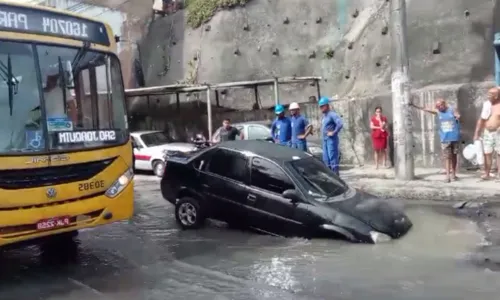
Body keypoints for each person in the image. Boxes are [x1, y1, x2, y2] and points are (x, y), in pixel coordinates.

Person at [410, 98, 461, 182]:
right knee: (447, 157)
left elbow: (457, 115)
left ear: (444, 104)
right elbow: (425, 109)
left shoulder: (452, 110)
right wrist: (415, 105)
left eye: (440, 105)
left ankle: (454, 174)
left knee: (454, 156)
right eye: (437, 106)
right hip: (445, 138)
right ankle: (447, 176)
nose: (439, 107)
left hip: (454, 137)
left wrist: (457, 116)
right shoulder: (438, 112)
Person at [473, 87, 500, 180]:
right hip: (488, 132)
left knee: (499, 154)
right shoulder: (487, 105)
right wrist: (477, 133)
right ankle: (487, 173)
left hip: (498, 133)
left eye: (490, 94)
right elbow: (481, 119)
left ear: (496, 96)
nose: (488, 96)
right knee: (487, 153)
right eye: (488, 94)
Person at [319, 96, 343, 174]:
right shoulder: (324, 117)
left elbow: (340, 124)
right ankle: (330, 176)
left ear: (327, 105)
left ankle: (336, 175)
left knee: (333, 158)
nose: (321, 108)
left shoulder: (332, 114)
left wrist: (334, 132)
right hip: (325, 140)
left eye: (323, 106)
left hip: (331, 140)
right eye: (320, 106)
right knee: (326, 159)